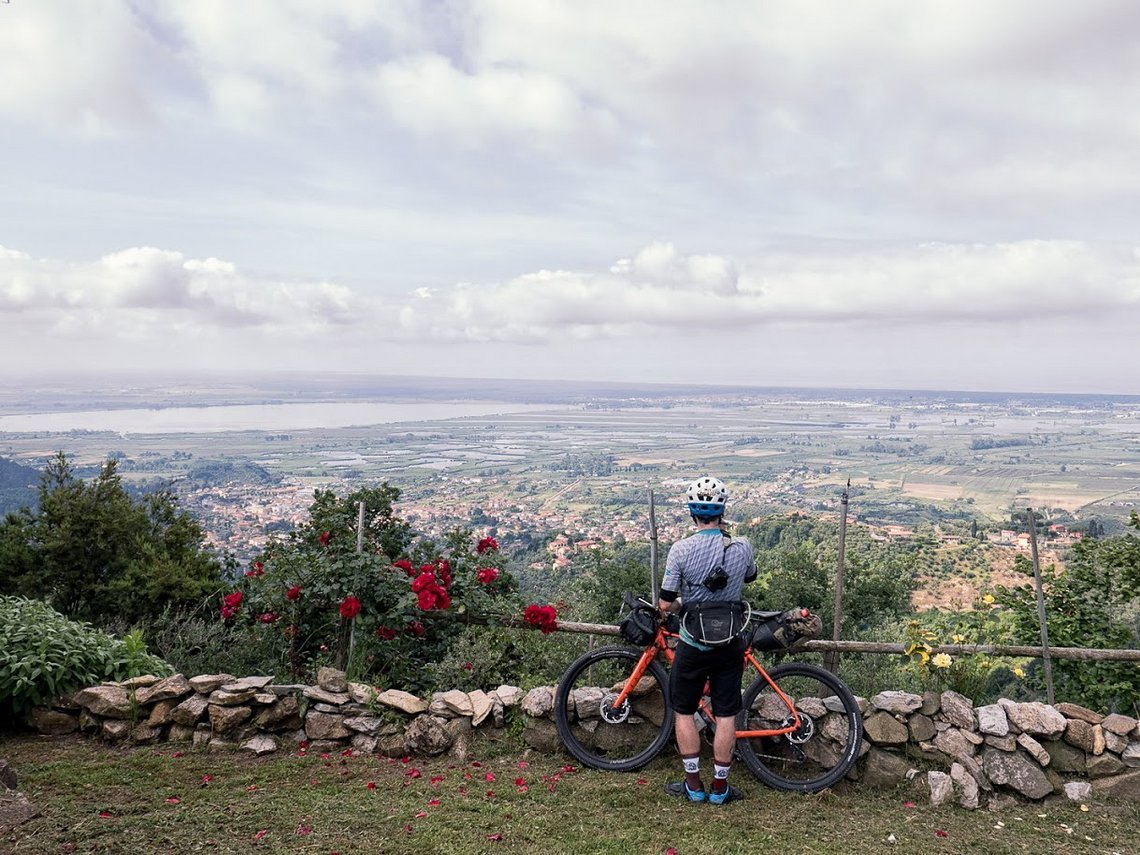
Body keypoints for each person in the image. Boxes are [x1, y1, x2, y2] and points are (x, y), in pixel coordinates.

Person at [658, 475, 756, 805]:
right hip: (730, 641)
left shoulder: (680, 551)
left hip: (693, 642)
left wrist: (684, 603)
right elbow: (750, 576)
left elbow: (665, 602)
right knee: (727, 713)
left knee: (684, 711)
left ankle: (692, 785)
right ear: (722, 511)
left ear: (692, 512)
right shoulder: (741, 546)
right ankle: (719, 788)